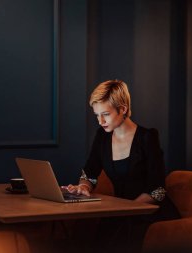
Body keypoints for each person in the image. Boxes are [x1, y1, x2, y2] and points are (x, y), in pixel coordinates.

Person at [63, 80, 179, 252]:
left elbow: (157, 190)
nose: (100, 121)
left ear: (123, 109)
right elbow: (89, 173)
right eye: (96, 115)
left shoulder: (148, 137)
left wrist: (127, 210)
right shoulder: (102, 136)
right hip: (120, 212)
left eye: (106, 114)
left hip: (149, 215)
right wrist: (83, 187)